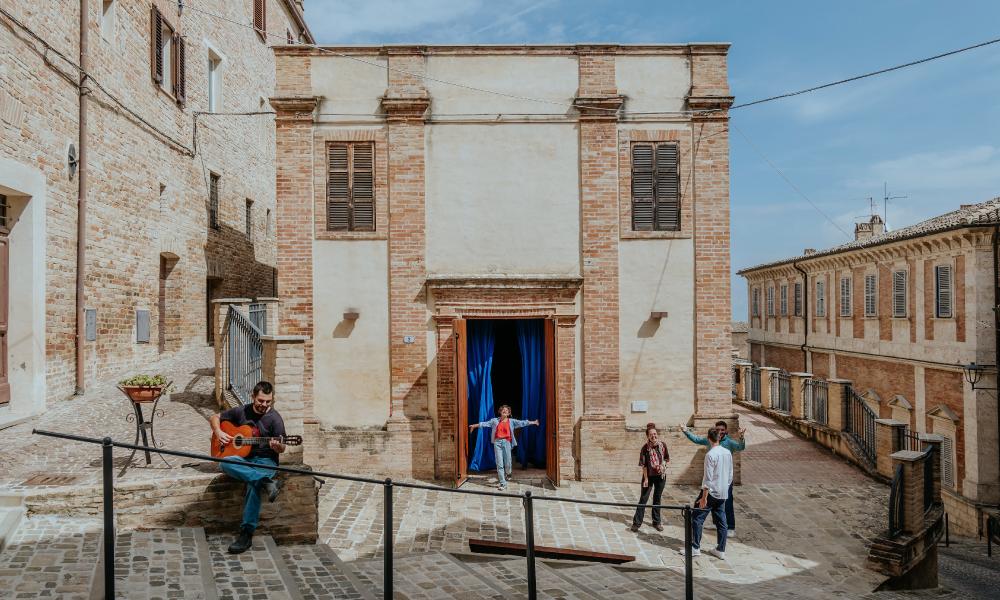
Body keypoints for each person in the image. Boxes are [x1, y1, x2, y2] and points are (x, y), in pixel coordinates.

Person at [210, 381, 287, 554]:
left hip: (266, 461)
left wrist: (278, 446)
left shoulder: (275, 419)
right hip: (244, 459)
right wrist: (218, 432)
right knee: (225, 462)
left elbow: (283, 446)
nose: (264, 405)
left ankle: (246, 534)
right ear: (253, 397)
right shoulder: (241, 411)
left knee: (253, 486)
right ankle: (266, 482)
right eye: (261, 401)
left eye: (268, 401)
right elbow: (215, 417)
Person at [680, 419, 746, 537]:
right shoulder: (710, 441)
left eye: (722, 430)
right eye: (718, 430)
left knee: (727, 503)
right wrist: (686, 431)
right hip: (711, 481)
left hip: (724, 480)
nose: (720, 432)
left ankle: (730, 527)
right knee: (716, 506)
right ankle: (716, 524)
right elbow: (696, 439)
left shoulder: (729, 443)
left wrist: (741, 436)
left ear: (726, 431)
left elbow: (740, 447)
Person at [681, 428, 733, 560]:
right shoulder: (727, 453)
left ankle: (695, 547)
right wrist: (724, 488)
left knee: (697, 518)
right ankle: (720, 549)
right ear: (719, 438)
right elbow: (730, 475)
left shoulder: (710, 455)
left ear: (709, 438)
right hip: (723, 492)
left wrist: (704, 497)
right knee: (722, 521)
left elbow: (708, 479)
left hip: (710, 493)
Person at [469, 405, 539, 490]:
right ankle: (503, 483)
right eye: (503, 410)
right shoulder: (495, 421)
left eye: (507, 410)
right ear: (500, 412)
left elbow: (522, 423)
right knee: (499, 463)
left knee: (508, 462)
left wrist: (533, 422)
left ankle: (508, 473)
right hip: (497, 442)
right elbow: (485, 423)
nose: (505, 411)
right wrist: (474, 426)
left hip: (507, 442)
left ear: (509, 413)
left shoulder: (512, 421)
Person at [630, 423, 670, 532]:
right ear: (648, 436)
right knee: (643, 499)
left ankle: (656, 522)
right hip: (649, 476)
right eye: (651, 434)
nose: (654, 436)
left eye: (655, 434)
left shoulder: (663, 445)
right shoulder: (645, 449)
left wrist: (663, 466)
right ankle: (637, 523)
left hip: (661, 476)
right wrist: (646, 479)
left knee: (657, 498)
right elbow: (644, 465)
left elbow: (666, 458)